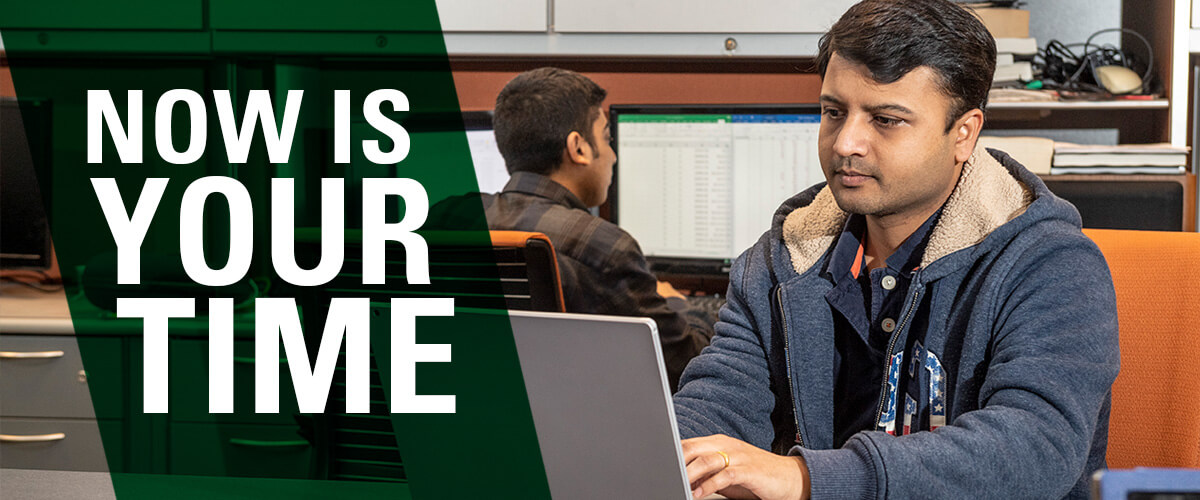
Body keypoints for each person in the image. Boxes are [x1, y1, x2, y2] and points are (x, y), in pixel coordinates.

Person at [671, 1, 1120, 499]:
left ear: (964, 134)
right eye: (833, 112)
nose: (846, 143)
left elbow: (1033, 450)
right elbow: (719, 402)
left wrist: (807, 480)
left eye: (885, 120)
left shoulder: (1050, 263)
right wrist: (674, 457)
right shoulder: (781, 257)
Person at [434, 67, 712, 391]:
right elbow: (685, 364)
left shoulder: (445, 218)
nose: (612, 155)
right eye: (607, 138)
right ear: (578, 147)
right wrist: (679, 304)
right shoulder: (604, 248)